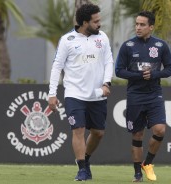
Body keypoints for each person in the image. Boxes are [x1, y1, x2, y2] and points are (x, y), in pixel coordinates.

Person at [48, 3, 113, 181]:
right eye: (96, 21)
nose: (99, 24)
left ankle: (86, 158)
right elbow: (56, 67)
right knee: (78, 129)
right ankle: (82, 168)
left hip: (97, 94)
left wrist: (107, 83)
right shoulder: (67, 40)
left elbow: (109, 62)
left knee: (98, 133)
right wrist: (52, 94)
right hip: (74, 94)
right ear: (85, 22)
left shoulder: (103, 38)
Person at [115, 11, 171, 182]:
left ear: (151, 27)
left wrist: (154, 74)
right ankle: (137, 174)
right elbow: (119, 71)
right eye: (136, 24)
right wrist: (139, 75)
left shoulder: (161, 46)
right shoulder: (128, 46)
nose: (138, 27)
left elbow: (170, 69)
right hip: (135, 95)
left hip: (154, 94)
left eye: (142, 24)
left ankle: (147, 163)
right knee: (137, 135)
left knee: (160, 130)